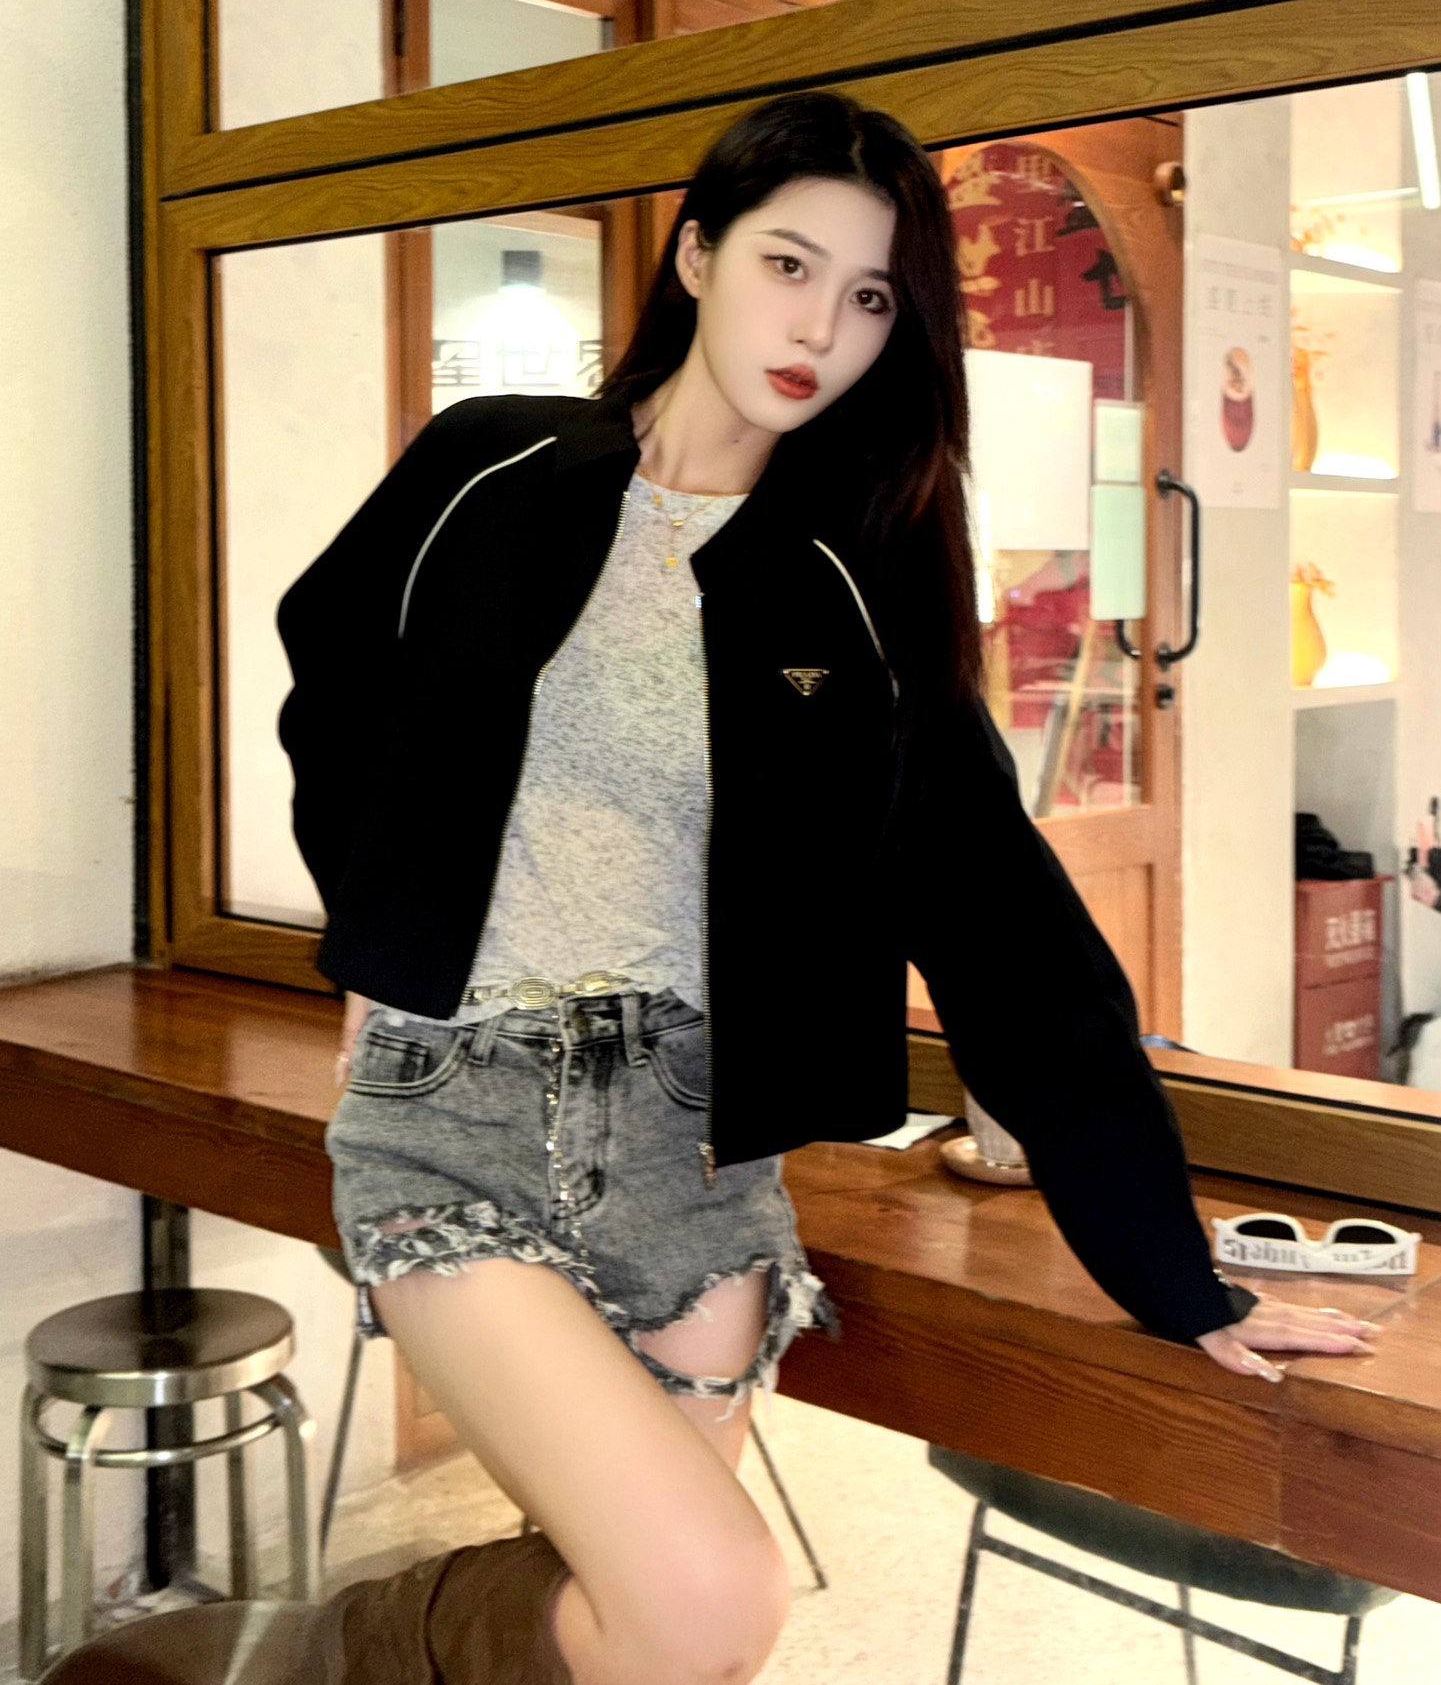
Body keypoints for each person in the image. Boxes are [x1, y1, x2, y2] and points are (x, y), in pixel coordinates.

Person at [275, 91, 1382, 1685]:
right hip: (453, 1118)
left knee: (650, 1646)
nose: (819, 328)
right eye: (786, 265)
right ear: (696, 254)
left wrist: (1169, 1269)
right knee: (710, 1601)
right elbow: (334, 693)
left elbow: (1005, 929)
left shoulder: (848, 582)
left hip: (695, 1146)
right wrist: (384, 938)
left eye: (868, 297)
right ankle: (332, 1658)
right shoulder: (490, 463)